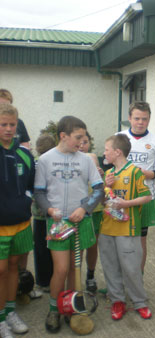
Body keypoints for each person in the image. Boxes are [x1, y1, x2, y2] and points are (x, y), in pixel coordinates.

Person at [34, 116, 104, 333]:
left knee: (75, 268)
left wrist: (84, 208)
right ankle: (54, 309)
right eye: (78, 137)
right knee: (62, 269)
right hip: (57, 224)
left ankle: (72, 306)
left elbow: (99, 189)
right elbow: (39, 192)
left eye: (84, 137)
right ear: (63, 136)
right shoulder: (45, 160)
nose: (82, 141)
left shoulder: (84, 160)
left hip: (80, 220)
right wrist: (49, 210)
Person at [99, 134, 152, 320]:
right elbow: (104, 200)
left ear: (117, 152)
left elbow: (147, 196)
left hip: (128, 230)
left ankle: (140, 302)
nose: (104, 153)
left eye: (106, 150)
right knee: (110, 267)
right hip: (107, 229)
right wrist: (106, 186)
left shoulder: (135, 172)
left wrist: (126, 204)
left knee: (131, 268)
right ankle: (117, 300)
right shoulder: (109, 174)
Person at [119, 101, 155, 273]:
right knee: (120, 239)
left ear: (149, 119)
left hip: (145, 197)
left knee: (140, 239)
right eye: (137, 118)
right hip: (122, 197)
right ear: (129, 118)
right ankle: (119, 279)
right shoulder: (120, 138)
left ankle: (137, 278)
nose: (140, 122)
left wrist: (150, 174)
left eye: (144, 119)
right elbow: (108, 164)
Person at [0, 102, 35, 337]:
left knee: (14, 267)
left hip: (21, 222)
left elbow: (31, 186)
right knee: (0, 270)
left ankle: (10, 312)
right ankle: (1, 319)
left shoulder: (24, 154)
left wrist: (25, 201)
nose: (8, 129)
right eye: (3, 124)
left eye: (12, 124)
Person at [79, 132, 104, 292]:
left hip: (95, 209)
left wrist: (100, 174)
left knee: (93, 245)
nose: (82, 145)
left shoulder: (91, 156)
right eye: (79, 142)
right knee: (79, 245)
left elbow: (98, 179)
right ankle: (76, 277)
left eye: (85, 142)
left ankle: (90, 275)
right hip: (80, 208)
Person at [32, 133, 56, 293]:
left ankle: (42, 281)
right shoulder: (54, 163)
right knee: (52, 246)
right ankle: (54, 277)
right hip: (52, 214)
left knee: (40, 248)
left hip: (39, 215)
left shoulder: (35, 164)